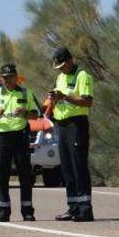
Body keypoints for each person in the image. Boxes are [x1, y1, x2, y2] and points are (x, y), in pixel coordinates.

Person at [0, 64, 40, 222]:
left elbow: (35, 115)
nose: (7, 80)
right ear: (2, 78)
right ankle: (3, 211)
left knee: (25, 175)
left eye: (10, 77)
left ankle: (27, 210)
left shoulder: (26, 93)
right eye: (5, 78)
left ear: (16, 76)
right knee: (2, 176)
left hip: (20, 137)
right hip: (1, 138)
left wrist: (25, 113)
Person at [45, 47, 94, 222]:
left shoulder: (83, 76)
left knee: (78, 166)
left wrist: (65, 97)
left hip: (77, 125)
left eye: (62, 66)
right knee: (66, 168)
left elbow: (88, 101)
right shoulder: (61, 77)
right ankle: (73, 207)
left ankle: (85, 209)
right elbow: (59, 95)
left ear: (70, 61)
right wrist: (54, 98)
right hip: (62, 125)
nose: (60, 69)